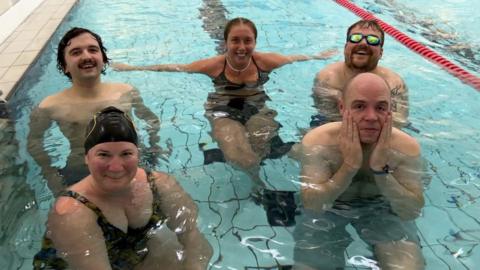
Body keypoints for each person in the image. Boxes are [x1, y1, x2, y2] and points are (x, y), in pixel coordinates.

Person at [112, 17, 336, 193]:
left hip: (256, 106)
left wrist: (319, 55)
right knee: (243, 158)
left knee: (262, 149)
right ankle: (257, 184)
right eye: (235, 40)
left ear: (254, 42)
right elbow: (176, 67)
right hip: (222, 110)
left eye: (247, 40)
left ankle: (258, 176)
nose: (241, 46)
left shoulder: (264, 61)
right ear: (226, 43)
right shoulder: (215, 65)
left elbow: (295, 58)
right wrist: (131, 68)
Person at [33, 106, 212, 270]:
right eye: (103, 155)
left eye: (126, 154)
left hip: (132, 256)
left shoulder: (159, 184)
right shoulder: (74, 213)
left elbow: (195, 241)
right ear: (86, 158)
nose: (116, 167)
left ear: (138, 154)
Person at [294, 73, 426, 269]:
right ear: (342, 108)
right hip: (330, 209)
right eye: (359, 106)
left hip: (382, 209)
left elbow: (410, 211)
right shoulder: (319, 142)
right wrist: (348, 167)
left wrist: (382, 171)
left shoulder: (405, 148)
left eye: (380, 107)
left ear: (391, 110)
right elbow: (313, 205)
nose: (371, 117)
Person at [27, 27, 164, 195]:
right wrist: (50, 175)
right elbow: (34, 143)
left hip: (130, 165)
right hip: (81, 172)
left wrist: (154, 146)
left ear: (103, 59)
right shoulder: (50, 106)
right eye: (76, 52)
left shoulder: (126, 91)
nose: (86, 56)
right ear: (64, 66)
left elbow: (152, 120)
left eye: (93, 50)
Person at [311, 19, 409, 128]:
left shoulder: (393, 84)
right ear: (345, 47)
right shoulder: (328, 77)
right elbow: (325, 117)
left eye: (372, 40)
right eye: (355, 38)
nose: (363, 43)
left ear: (381, 53)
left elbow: (396, 124)